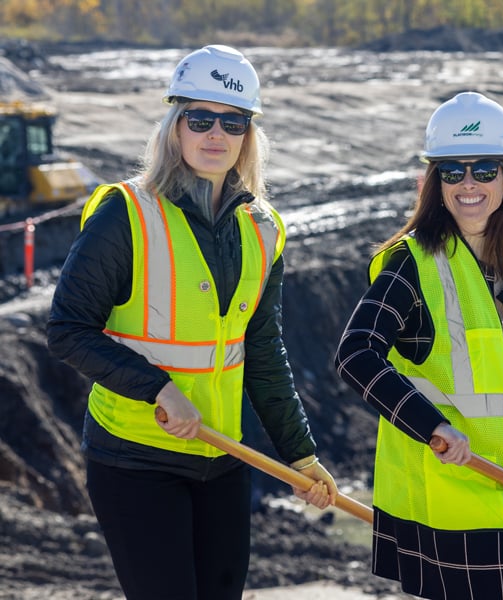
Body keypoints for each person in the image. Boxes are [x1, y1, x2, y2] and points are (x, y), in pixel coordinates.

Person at [46, 44, 338, 600]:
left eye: (233, 121)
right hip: (135, 460)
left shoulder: (263, 229)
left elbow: (263, 349)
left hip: (224, 459)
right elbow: (68, 329)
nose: (215, 134)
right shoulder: (125, 213)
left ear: (249, 134)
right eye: (199, 118)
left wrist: (300, 453)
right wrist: (158, 387)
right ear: (174, 124)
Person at [335, 91, 503, 600]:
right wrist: (431, 424)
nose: (469, 184)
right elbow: (355, 354)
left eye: (484, 170)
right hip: (451, 499)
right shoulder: (412, 264)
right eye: (453, 172)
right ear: (436, 184)